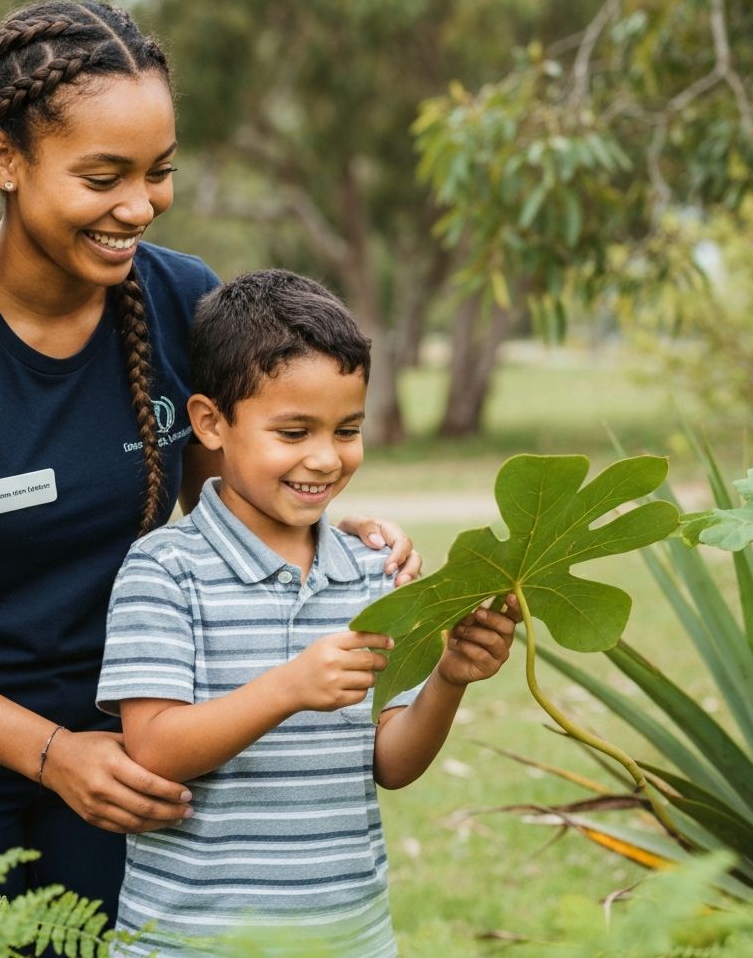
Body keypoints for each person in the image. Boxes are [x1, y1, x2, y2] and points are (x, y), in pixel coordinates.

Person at [0, 0, 420, 919]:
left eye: (160, 171)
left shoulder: (183, 304)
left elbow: (237, 504)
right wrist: (54, 756)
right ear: (4, 160)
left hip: (126, 740)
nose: (139, 206)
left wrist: (332, 524)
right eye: (102, 176)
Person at [96, 270, 520, 957]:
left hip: (346, 940)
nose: (326, 458)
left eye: (347, 429)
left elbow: (392, 762)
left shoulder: (370, 570)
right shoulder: (165, 570)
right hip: (194, 944)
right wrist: (289, 689)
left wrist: (449, 676)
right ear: (210, 422)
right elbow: (153, 750)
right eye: (293, 431)